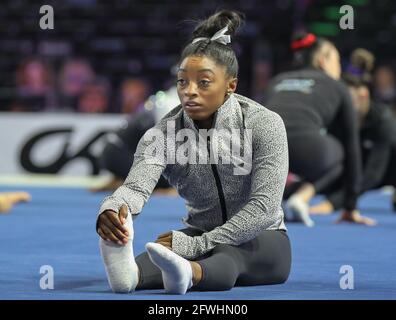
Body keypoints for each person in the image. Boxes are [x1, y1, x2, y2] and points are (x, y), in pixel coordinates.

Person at [95, 10, 291, 294]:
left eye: (204, 82)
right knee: (153, 259)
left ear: (230, 86)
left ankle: (189, 271)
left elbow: (263, 208)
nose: (189, 91)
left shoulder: (265, 123)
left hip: (263, 239)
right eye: (182, 81)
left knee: (228, 256)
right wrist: (112, 210)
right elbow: (135, 188)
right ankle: (130, 276)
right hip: (197, 232)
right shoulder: (163, 134)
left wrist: (196, 246)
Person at [264, 33, 374, 227]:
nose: (339, 67)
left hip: (263, 147)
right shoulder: (337, 87)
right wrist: (350, 206)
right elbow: (352, 145)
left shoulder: (277, 80)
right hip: (307, 150)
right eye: (337, 60)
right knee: (340, 151)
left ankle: (258, 204)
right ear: (323, 61)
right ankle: (301, 197)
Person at [310, 49, 396, 215]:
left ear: (363, 96)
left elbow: (372, 176)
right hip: (356, 174)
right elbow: (331, 165)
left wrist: (332, 204)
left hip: (387, 174)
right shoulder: (340, 118)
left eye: (347, 100)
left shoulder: (384, 122)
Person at [91, 86, 179, 194]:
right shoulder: (172, 103)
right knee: (168, 179)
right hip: (118, 155)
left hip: (113, 153)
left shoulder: (168, 98)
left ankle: (122, 180)